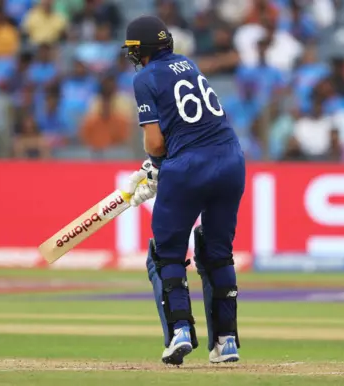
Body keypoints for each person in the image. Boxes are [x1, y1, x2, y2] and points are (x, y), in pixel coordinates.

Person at [122, 16, 244, 365]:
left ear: (141, 50)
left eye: (133, 50)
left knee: (166, 254)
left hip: (189, 165)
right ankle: (226, 342)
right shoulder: (187, 63)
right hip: (231, 158)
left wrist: (154, 167)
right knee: (217, 252)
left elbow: (157, 141)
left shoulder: (144, 77)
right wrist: (160, 167)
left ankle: (180, 333)